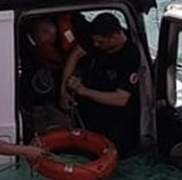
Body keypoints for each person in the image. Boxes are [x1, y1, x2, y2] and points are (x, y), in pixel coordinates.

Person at [60, 12, 142, 157]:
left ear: (115, 36)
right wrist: (64, 88)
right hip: (92, 107)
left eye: (101, 42)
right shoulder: (97, 37)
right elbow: (76, 54)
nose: (96, 45)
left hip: (117, 119)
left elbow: (121, 99)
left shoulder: (130, 56)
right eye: (95, 41)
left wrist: (83, 91)